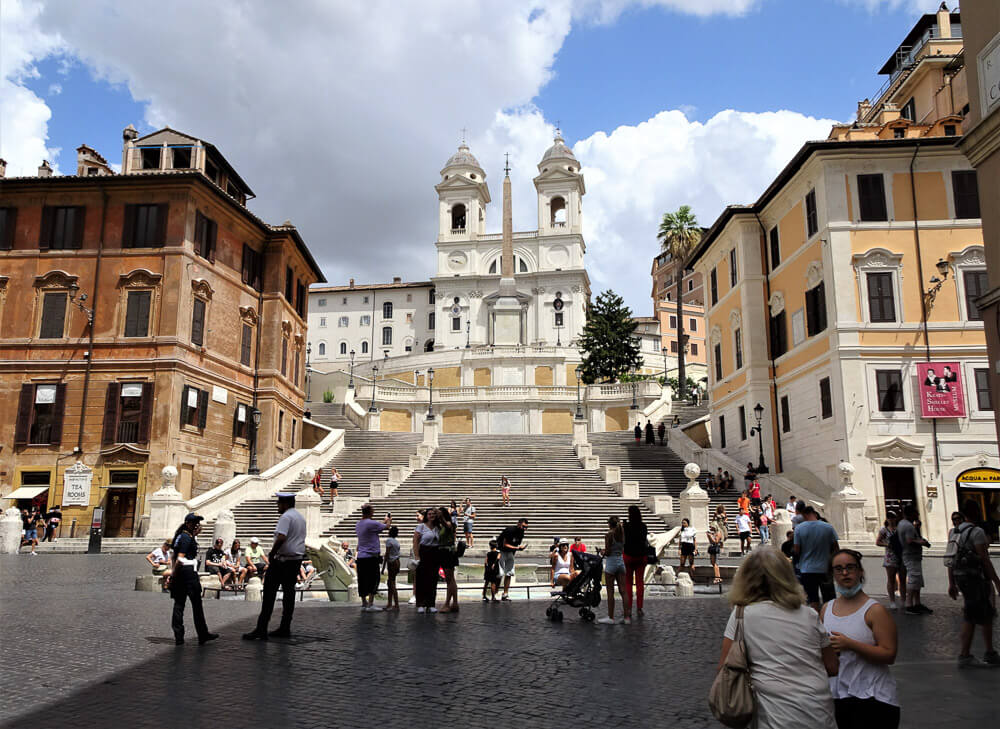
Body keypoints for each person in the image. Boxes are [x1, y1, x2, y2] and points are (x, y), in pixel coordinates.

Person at [717, 546, 838, 729]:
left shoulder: (742, 615)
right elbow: (832, 666)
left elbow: (725, 668)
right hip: (818, 710)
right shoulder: (809, 614)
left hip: (775, 714)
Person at [822, 549, 900, 728]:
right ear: (833, 574)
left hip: (873, 697)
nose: (845, 573)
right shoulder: (826, 609)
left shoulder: (875, 610)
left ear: (860, 571)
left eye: (850, 567)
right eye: (838, 569)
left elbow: (889, 654)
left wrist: (850, 644)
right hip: (838, 696)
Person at [243, 493, 307, 640]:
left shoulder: (286, 517)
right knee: (289, 595)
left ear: (284, 503)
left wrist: (272, 552)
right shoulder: (300, 518)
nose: (278, 506)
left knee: (269, 594)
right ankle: (285, 627)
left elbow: (282, 537)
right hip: (295, 560)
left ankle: (261, 628)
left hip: (282, 561)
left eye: (279, 503)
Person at [947, 501, 1000, 667]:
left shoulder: (954, 532)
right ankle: (973, 654)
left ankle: (982, 652)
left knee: (976, 613)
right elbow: (984, 558)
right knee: (979, 614)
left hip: (960, 577)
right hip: (975, 578)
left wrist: (952, 583)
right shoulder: (977, 532)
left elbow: (950, 559)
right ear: (977, 513)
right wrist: (997, 581)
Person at [169, 513, 218, 646]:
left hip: (181, 574)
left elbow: (174, 557)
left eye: (197, 522)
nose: (196, 524)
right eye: (194, 522)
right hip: (188, 574)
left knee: (179, 604)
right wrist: (173, 575)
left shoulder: (183, 536)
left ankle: (179, 636)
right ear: (187, 523)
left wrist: (174, 575)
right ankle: (202, 634)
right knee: (196, 605)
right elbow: (179, 558)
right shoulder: (186, 538)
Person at [794, 506, 840, 610]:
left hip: (807, 569)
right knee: (829, 599)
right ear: (814, 514)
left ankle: (815, 621)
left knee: (812, 599)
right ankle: (828, 621)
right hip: (825, 568)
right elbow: (836, 548)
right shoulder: (828, 527)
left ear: (804, 515)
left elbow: (796, 550)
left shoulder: (799, 528)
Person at [897, 504, 932, 615]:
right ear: (911, 513)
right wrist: (923, 542)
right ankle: (909, 605)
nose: (918, 515)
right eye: (916, 513)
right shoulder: (908, 526)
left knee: (917, 579)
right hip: (911, 555)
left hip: (910, 555)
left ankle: (917, 603)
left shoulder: (902, 524)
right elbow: (909, 540)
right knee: (914, 578)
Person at [355, 503, 391, 612]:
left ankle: (363, 603)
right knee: (373, 579)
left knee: (362, 580)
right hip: (371, 556)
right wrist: (388, 519)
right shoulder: (372, 523)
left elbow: (376, 527)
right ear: (370, 512)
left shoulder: (359, 524)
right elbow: (387, 527)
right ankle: (370, 603)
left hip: (361, 556)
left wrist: (383, 523)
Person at [599, 515, 627, 625]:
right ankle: (627, 617)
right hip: (621, 562)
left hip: (611, 564)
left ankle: (611, 617)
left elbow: (608, 552)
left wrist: (602, 551)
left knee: (610, 592)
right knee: (623, 591)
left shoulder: (609, 535)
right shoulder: (622, 534)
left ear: (609, 524)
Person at [413, 507, 442, 613]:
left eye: (433, 514)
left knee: (433, 579)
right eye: (429, 514)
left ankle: (431, 604)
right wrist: (417, 556)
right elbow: (415, 542)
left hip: (435, 553)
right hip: (423, 552)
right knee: (421, 579)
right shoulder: (421, 526)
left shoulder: (438, 527)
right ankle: (420, 604)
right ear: (426, 516)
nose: (431, 516)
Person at [875, 512, 905, 610]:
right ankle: (892, 601)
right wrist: (887, 545)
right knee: (891, 579)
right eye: (889, 517)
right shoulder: (884, 530)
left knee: (903, 578)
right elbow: (878, 542)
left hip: (901, 555)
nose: (891, 519)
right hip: (890, 556)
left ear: (896, 518)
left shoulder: (900, 529)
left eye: (892, 517)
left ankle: (903, 600)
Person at [623, 504, 649, 620]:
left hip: (628, 555)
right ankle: (639, 607)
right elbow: (644, 540)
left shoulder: (627, 526)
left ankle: (628, 607)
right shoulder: (643, 526)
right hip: (641, 556)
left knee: (628, 583)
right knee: (640, 582)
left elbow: (624, 540)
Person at [498, 518, 528, 600]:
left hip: (510, 552)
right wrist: (518, 548)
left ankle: (505, 593)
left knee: (509, 573)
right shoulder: (510, 530)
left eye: (526, 528)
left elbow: (516, 545)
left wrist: (515, 551)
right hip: (501, 551)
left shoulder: (521, 533)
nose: (524, 529)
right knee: (499, 573)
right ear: (518, 524)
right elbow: (505, 544)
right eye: (523, 526)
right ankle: (494, 594)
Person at [437, 506, 459, 613]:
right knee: (451, 580)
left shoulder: (449, 524)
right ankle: (454, 603)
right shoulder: (441, 526)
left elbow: (447, 524)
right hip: (443, 552)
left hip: (448, 553)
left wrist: (441, 517)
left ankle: (447, 603)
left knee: (449, 580)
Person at [382, 526, 401, 611]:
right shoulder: (396, 542)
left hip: (392, 563)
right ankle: (389, 603)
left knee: (392, 583)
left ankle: (396, 604)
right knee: (390, 582)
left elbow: (387, 554)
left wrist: (383, 568)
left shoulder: (389, 541)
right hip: (397, 562)